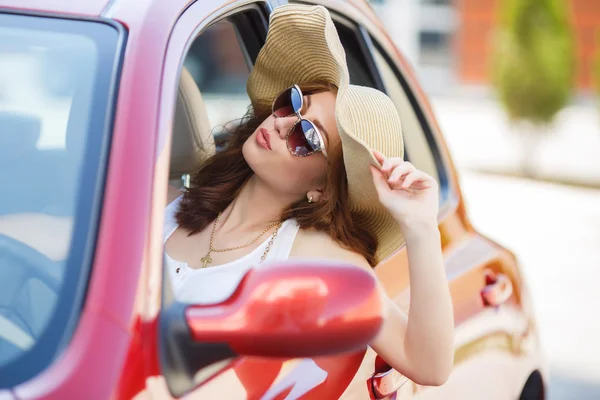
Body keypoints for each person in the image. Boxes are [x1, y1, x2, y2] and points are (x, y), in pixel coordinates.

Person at [163, 4, 454, 386]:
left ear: (322, 187)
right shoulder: (162, 199)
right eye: (293, 102)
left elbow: (429, 364)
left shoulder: (316, 255)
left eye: (308, 136)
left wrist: (420, 228)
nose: (282, 123)